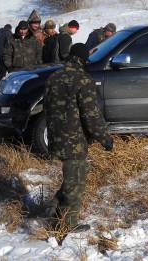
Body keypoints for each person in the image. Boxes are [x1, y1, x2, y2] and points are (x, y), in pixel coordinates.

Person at [44, 43, 113, 234]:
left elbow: (47, 110)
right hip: (74, 140)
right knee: (76, 181)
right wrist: (105, 138)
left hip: (56, 137)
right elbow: (91, 115)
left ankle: (53, 206)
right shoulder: (83, 80)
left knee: (72, 178)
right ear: (83, 60)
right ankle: (68, 223)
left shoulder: (53, 77)